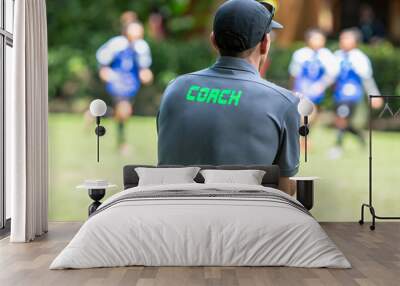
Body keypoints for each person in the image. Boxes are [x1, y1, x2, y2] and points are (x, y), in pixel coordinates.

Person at [157, 0, 300, 195]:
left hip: (172, 218)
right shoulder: (283, 103)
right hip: (244, 221)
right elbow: (284, 191)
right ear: (265, 43)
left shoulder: (175, 90)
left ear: (213, 40)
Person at [96, 18, 153, 151]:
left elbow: (144, 67)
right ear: (126, 31)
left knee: (122, 113)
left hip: (131, 84)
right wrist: (103, 70)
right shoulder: (117, 43)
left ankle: (96, 113)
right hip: (117, 81)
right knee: (124, 109)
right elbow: (102, 59)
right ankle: (122, 144)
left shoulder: (142, 46)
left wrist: (146, 73)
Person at [329, 28, 382, 159]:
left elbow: (367, 79)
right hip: (338, 94)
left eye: (347, 38)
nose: (343, 41)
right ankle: (360, 137)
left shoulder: (359, 58)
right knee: (342, 122)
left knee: (342, 118)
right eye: (342, 38)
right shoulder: (337, 55)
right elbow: (331, 76)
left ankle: (337, 147)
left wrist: (374, 95)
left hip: (352, 95)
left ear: (355, 41)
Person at [289, 29, 338, 109]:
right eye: (315, 38)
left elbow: (332, 74)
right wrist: (293, 90)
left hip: (318, 91)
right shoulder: (300, 54)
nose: (319, 41)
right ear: (308, 39)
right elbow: (294, 74)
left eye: (321, 39)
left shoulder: (326, 55)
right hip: (301, 89)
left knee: (311, 113)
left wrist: (322, 85)